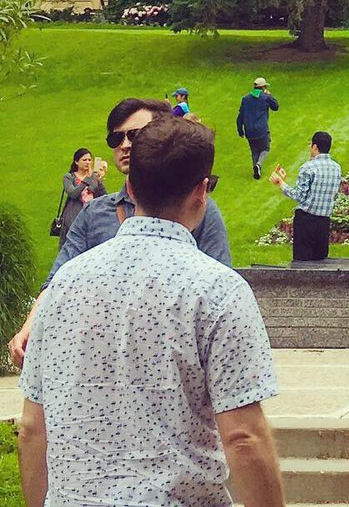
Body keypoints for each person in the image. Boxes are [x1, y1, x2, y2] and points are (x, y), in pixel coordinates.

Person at [16, 117, 284, 507]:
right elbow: (243, 437)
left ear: (130, 187)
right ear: (201, 191)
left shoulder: (63, 286)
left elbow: (31, 429)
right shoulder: (217, 290)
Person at [8, 97, 231, 370]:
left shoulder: (197, 208)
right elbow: (58, 281)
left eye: (134, 135)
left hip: (172, 362)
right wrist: (29, 327)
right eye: (116, 139)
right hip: (104, 360)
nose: (124, 145)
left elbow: (220, 294)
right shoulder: (94, 213)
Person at [269, 131, 342, 262]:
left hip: (306, 220)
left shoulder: (308, 167)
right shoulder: (336, 168)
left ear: (314, 147)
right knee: (320, 262)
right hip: (324, 220)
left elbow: (300, 196)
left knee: (302, 263)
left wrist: (281, 184)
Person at [57, 149, 107, 248]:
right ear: (76, 162)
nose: (88, 162)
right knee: (72, 246)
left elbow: (103, 195)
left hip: (91, 217)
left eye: (89, 160)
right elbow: (73, 193)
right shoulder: (69, 177)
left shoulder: (93, 177)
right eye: (84, 160)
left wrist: (98, 180)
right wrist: (86, 180)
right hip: (74, 217)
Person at [236, 76, 279, 179]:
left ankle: (256, 171)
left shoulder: (245, 98)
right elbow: (276, 107)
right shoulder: (265, 97)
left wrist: (240, 129)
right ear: (263, 87)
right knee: (265, 148)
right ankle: (258, 164)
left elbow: (240, 115)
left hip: (249, 129)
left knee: (254, 150)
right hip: (261, 129)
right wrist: (270, 95)